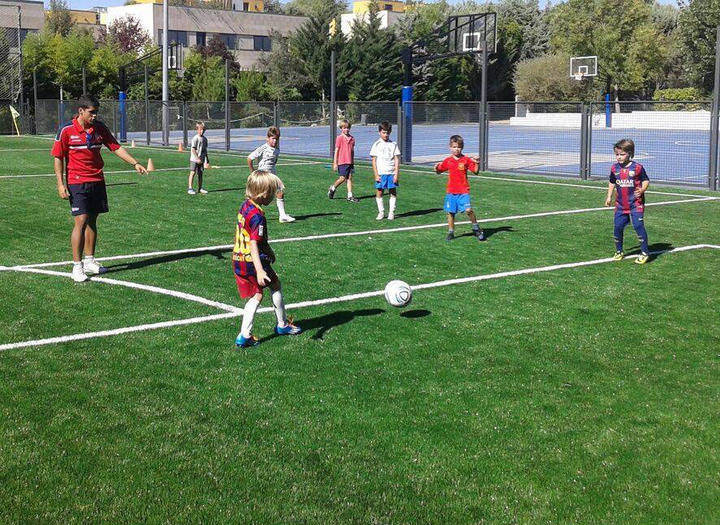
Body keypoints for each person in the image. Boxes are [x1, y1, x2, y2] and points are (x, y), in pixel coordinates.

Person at [52, 94, 148, 283]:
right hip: (77, 181)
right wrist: (60, 183)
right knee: (81, 220)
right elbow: (58, 157)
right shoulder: (66, 130)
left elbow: (115, 147)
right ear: (81, 111)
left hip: (97, 179)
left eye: (96, 112)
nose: (95, 116)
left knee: (93, 220)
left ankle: (89, 261)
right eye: (91, 112)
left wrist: (134, 163)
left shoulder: (100, 128)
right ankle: (77, 266)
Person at [233, 170, 302, 348]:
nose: (273, 196)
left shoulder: (245, 206)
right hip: (252, 261)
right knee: (268, 289)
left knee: (260, 292)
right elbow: (255, 244)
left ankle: (251, 333)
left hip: (239, 257)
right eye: (272, 193)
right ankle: (278, 326)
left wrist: (269, 251)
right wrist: (260, 269)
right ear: (264, 195)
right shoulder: (258, 217)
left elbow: (256, 240)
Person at [604, 138, 650, 264]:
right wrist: (609, 197)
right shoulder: (614, 168)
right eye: (617, 154)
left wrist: (642, 190)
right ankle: (619, 251)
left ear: (629, 153)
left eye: (622, 154)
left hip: (636, 203)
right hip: (620, 204)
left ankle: (645, 252)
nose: (619, 157)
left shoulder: (638, 168)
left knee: (638, 226)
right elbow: (612, 182)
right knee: (618, 227)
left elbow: (646, 180)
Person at [434, 135, 485, 241]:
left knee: (468, 210)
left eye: (458, 147)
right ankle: (451, 232)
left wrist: (477, 163)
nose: (456, 149)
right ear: (450, 147)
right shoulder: (448, 160)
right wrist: (436, 168)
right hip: (451, 192)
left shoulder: (466, 160)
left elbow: (476, 171)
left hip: (463, 191)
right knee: (451, 213)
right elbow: (439, 171)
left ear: (462, 147)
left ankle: (476, 228)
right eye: (454, 147)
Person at [247, 126, 295, 223]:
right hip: (263, 175)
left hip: (272, 175)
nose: (275, 141)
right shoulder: (263, 148)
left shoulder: (277, 150)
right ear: (268, 138)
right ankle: (251, 214)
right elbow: (249, 158)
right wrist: (253, 172)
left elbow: (274, 162)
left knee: (280, 192)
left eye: (276, 139)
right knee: (259, 196)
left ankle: (282, 216)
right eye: (273, 138)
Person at [369, 121, 401, 220]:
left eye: (387, 132)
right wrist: (376, 175)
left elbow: (396, 159)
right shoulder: (376, 144)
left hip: (391, 173)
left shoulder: (393, 144)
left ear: (390, 132)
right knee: (379, 192)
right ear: (379, 132)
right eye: (383, 132)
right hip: (381, 173)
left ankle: (391, 212)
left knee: (392, 192)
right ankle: (381, 212)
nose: (385, 134)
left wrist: (396, 174)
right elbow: (374, 161)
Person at [327, 119, 358, 202]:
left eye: (348, 128)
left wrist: (352, 162)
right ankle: (332, 188)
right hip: (342, 162)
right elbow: (336, 151)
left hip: (350, 162)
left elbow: (352, 151)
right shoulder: (339, 138)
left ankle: (350, 195)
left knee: (349, 178)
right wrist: (335, 163)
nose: (346, 130)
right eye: (344, 128)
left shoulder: (352, 139)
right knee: (342, 178)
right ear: (341, 128)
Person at [188, 121, 210, 195]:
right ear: (197, 130)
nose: (202, 131)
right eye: (200, 129)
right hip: (194, 159)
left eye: (203, 130)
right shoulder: (195, 138)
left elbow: (205, 150)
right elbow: (193, 149)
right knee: (193, 172)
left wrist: (207, 159)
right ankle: (190, 188)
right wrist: (197, 158)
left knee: (200, 173)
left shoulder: (205, 139)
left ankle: (200, 188)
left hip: (201, 160)